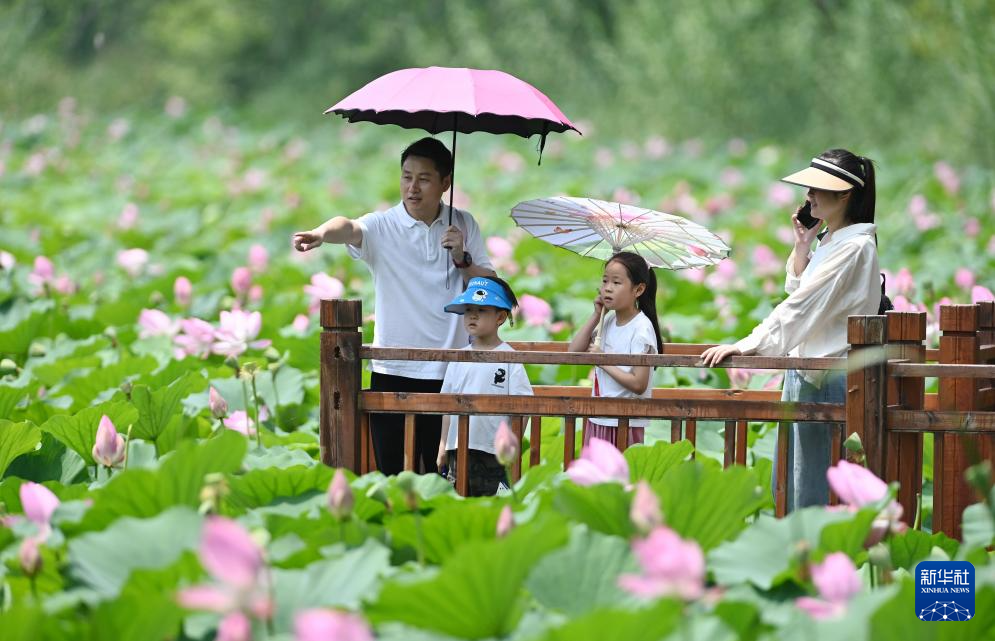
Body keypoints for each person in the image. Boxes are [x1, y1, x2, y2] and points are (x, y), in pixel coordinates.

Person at [292, 137, 496, 476]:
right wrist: (321, 233)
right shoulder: (383, 226)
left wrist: (462, 258)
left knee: (440, 478)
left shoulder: (463, 224)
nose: (412, 187)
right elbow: (350, 226)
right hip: (392, 370)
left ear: (446, 183)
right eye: (406, 176)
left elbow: (488, 287)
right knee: (392, 476)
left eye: (424, 179)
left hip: (449, 370)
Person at [700, 148, 879, 511]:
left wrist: (749, 345)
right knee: (790, 486)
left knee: (814, 492)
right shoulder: (832, 241)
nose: (808, 197)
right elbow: (799, 293)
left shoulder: (856, 246)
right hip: (806, 374)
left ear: (845, 195)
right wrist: (803, 245)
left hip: (829, 380)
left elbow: (802, 307)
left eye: (817, 189)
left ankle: (820, 563)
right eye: (808, 189)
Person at [436, 276, 533, 496]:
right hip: (456, 448)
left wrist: (511, 445)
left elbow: (524, 406)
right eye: (468, 309)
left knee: (494, 508)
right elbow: (446, 407)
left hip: (493, 451)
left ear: (500, 316)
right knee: (459, 506)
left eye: (481, 310)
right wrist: (442, 445)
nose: (472, 315)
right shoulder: (457, 357)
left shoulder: (510, 359)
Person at [568, 251, 663, 446]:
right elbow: (573, 353)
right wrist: (596, 315)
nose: (607, 289)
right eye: (605, 281)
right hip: (598, 416)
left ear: (638, 290)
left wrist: (603, 361)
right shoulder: (608, 320)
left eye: (616, 283)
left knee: (618, 476)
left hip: (624, 421)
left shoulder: (641, 328)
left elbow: (639, 384)